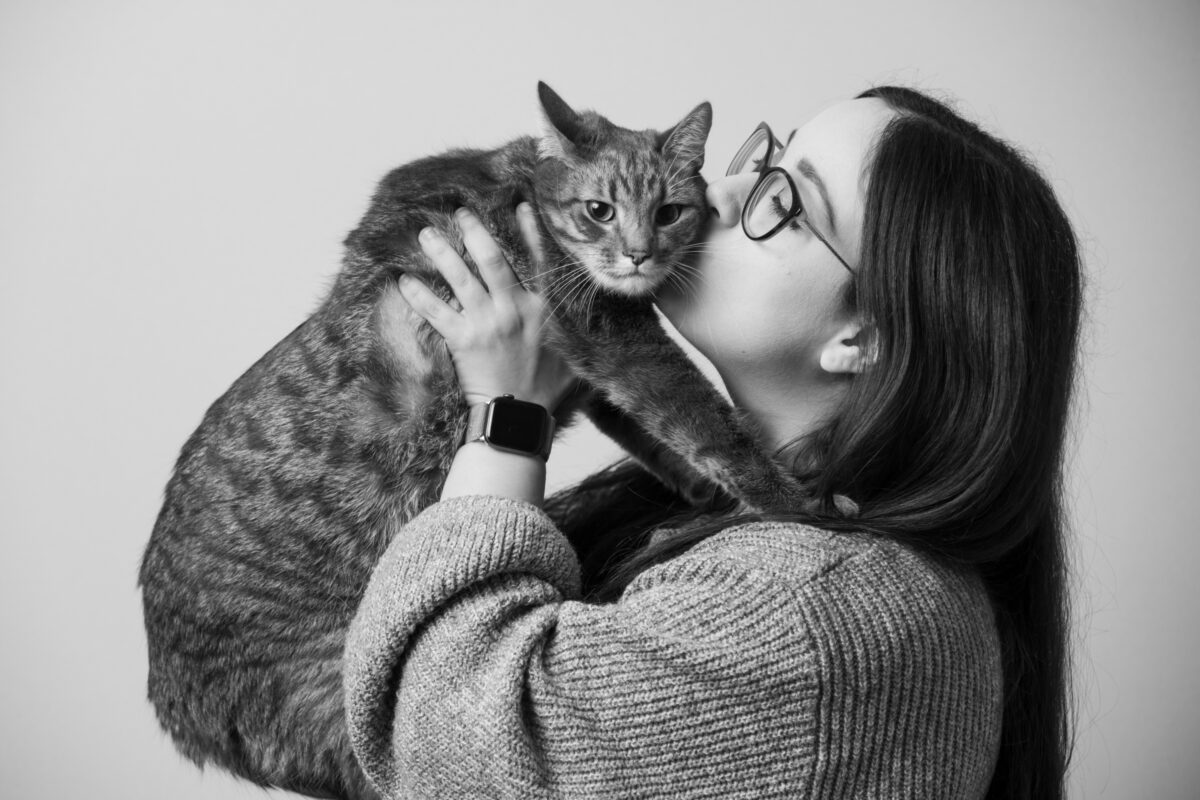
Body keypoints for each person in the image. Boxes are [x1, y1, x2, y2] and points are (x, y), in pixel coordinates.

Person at [346, 86, 1081, 799]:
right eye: (765, 159)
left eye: (785, 201)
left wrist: (506, 416)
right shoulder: (747, 525)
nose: (719, 193)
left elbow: (445, 756)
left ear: (863, 337)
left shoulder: (813, 607)